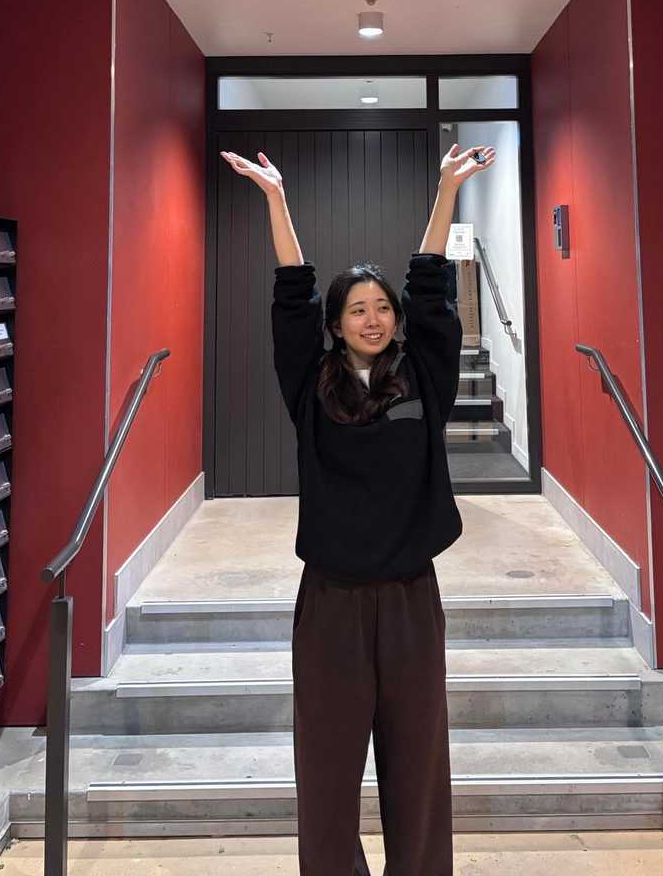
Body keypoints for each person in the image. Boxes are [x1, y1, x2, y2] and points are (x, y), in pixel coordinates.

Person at [219, 140, 496, 876]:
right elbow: (291, 295)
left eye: (381, 309)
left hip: (409, 599)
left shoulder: (424, 378)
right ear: (336, 323)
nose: (371, 319)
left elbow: (431, 284)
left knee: (418, 766)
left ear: (396, 320)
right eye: (356, 310)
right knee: (326, 771)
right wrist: (277, 200)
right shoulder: (309, 386)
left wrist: (446, 190)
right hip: (331, 602)